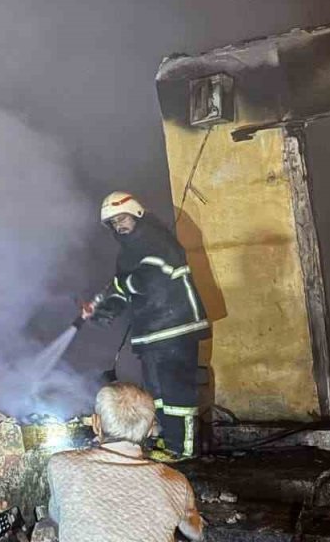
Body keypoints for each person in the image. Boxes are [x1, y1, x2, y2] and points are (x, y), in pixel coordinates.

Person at [82, 192, 209, 461]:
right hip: (150, 333)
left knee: (176, 391)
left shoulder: (157, 239)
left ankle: (183, 450)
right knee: (158, 394)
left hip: (176, 327)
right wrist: (106, 309)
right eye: (113, 223)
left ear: (137, 214)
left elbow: (149, 279)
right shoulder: (127, 254)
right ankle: (167, 440)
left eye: (122, 218)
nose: (119, 226)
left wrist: (119, 286)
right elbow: (124, 289)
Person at [46, 382, 204, 542]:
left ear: (96, 424)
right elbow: (195, 533)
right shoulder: (176, 482)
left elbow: (57, 516)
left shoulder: (61, 464)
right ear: (150, 430)